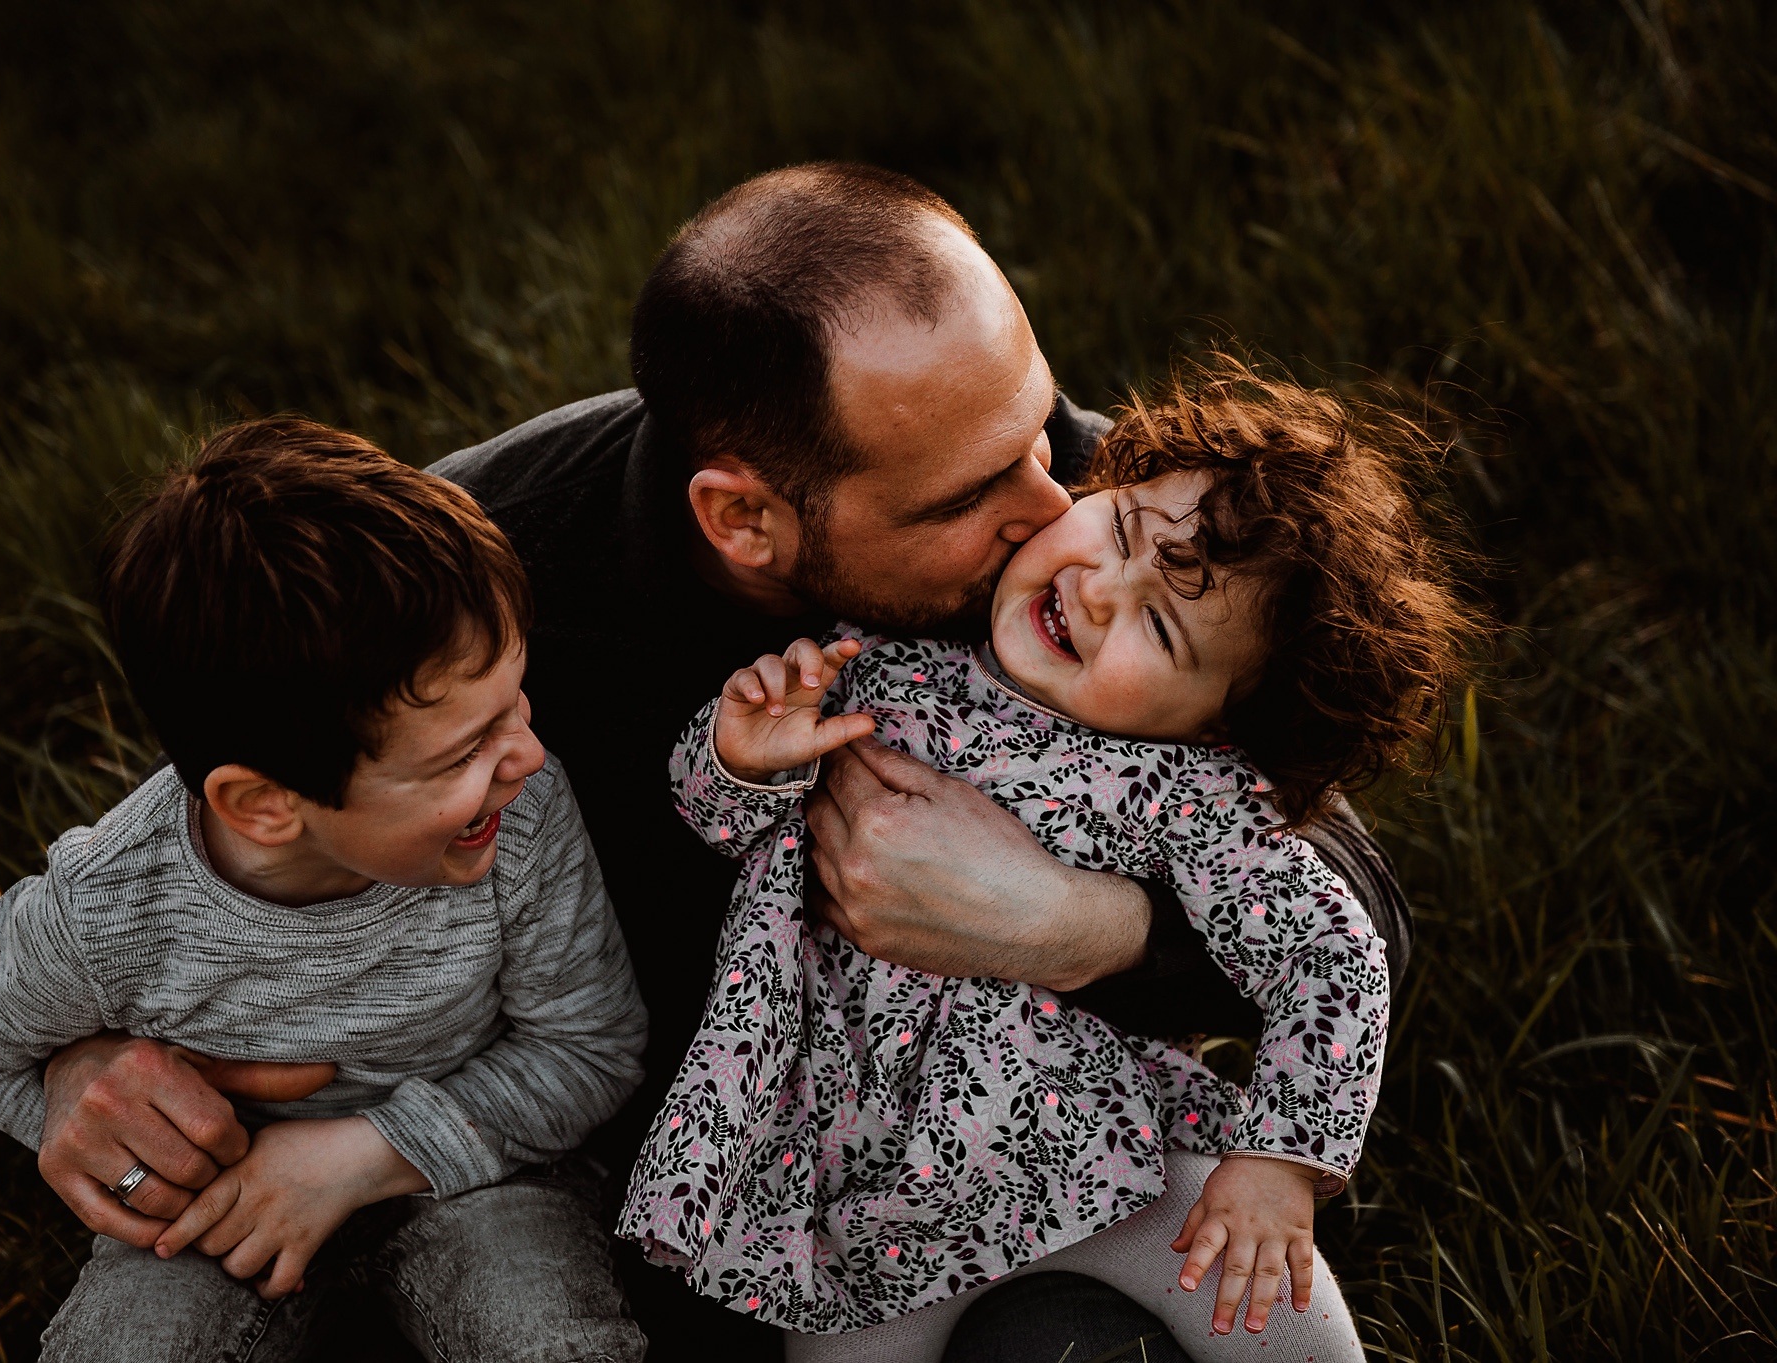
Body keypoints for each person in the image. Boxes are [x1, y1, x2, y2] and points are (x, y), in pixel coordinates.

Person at [28, 163, 1413, 1361]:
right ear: (744, 519)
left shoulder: (1111, 536)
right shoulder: (484, 579)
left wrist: (1077, 927)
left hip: (1013, 1157)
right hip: (620, 1178)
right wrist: (80, 1055)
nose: (1055, 500)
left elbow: (1352, 904)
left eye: (1046, 431)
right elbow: (219, 807)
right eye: (970, 494)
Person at [625, 358, 1480, 1361]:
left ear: (1219, 724)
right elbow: (719, 828)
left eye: (1159, 627)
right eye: (1118, 532)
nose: (1099, 592)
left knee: (1272, 1313)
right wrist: (742, 755)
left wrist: (1280, 1162)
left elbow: (1329, 954)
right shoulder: (876, 664)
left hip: (1092, 1153)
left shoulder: (1185, 790)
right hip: (856, 1183)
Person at [0, 419, 649, 1362]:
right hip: (213, 1211)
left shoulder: (519, 814)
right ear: (266, 804)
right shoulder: (104, 909)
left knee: (550, 1341)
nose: (524, 752)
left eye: (514, 702)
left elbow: (592, 1043)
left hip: (483, 1179)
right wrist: (105, 1133)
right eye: (463, 751)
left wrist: (361, 1155)